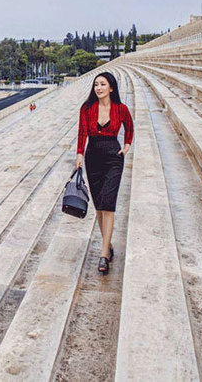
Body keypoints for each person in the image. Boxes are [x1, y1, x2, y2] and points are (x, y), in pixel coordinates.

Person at [76, 71, 133, 274]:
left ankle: (103, 254)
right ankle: (108, 244)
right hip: (93, 157)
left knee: (108, 204)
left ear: (111, 88)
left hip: (113, 157)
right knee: (99, 205)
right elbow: (82, 132)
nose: (98, 88)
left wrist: (126, 147)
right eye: (96, 85)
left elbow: (130, 128)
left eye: (102, 84)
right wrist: (80, 154)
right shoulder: (87, 108)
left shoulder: (120, 109)